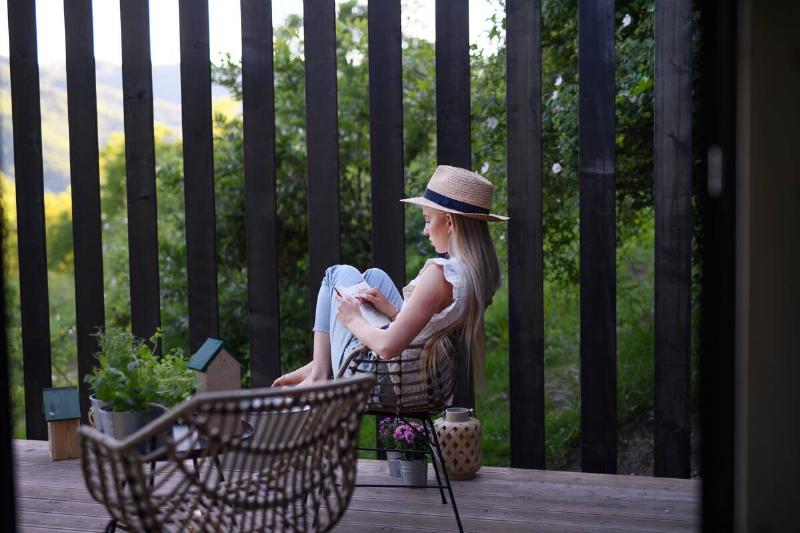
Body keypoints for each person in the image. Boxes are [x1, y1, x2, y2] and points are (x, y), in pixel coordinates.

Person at [271, 165, 508, 389]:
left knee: (337, 273)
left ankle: (319, 373)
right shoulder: (476, 274)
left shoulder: (439, 274)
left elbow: (386, 348)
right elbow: (432, 326)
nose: (425, 231)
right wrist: (392, 311)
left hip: (389, 377)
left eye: (427, 220)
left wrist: (353, 318)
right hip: (414, 372)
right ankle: (321, 365)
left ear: (448, 222)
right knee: (375, 276)